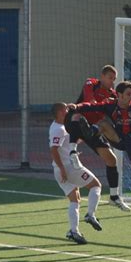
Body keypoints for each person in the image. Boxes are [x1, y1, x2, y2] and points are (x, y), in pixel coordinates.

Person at [68, 81, 131, 221]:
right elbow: (92, 106)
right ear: (120, 95)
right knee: (103, 124)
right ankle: (91, 132)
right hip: (118, 138)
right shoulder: (110, 106)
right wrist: (77, 106)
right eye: (128, 94)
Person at [65, 65, 131, 212]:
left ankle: (114, 197)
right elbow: (89, 100)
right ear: (102, 76)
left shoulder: (113, 95)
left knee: (111, 159)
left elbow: (117, 112)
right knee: (77, 116)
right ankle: (72, 152)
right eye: (110, 78)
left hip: (93, 127)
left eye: (114, 79)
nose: (112, 82)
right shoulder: (91, 83)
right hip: (77, 120)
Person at [49, 102, 103, 244]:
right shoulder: (59, 129)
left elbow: (68, 143)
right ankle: (90, 215)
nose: (68, 111)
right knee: (95, 185)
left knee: (75, 199)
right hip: (68, 168)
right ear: (61, 112)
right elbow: (54, 149)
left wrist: (84, 135)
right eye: (66, 109)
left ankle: (74, 231)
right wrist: (62, 169)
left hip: (60, 169)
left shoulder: (61, 127)